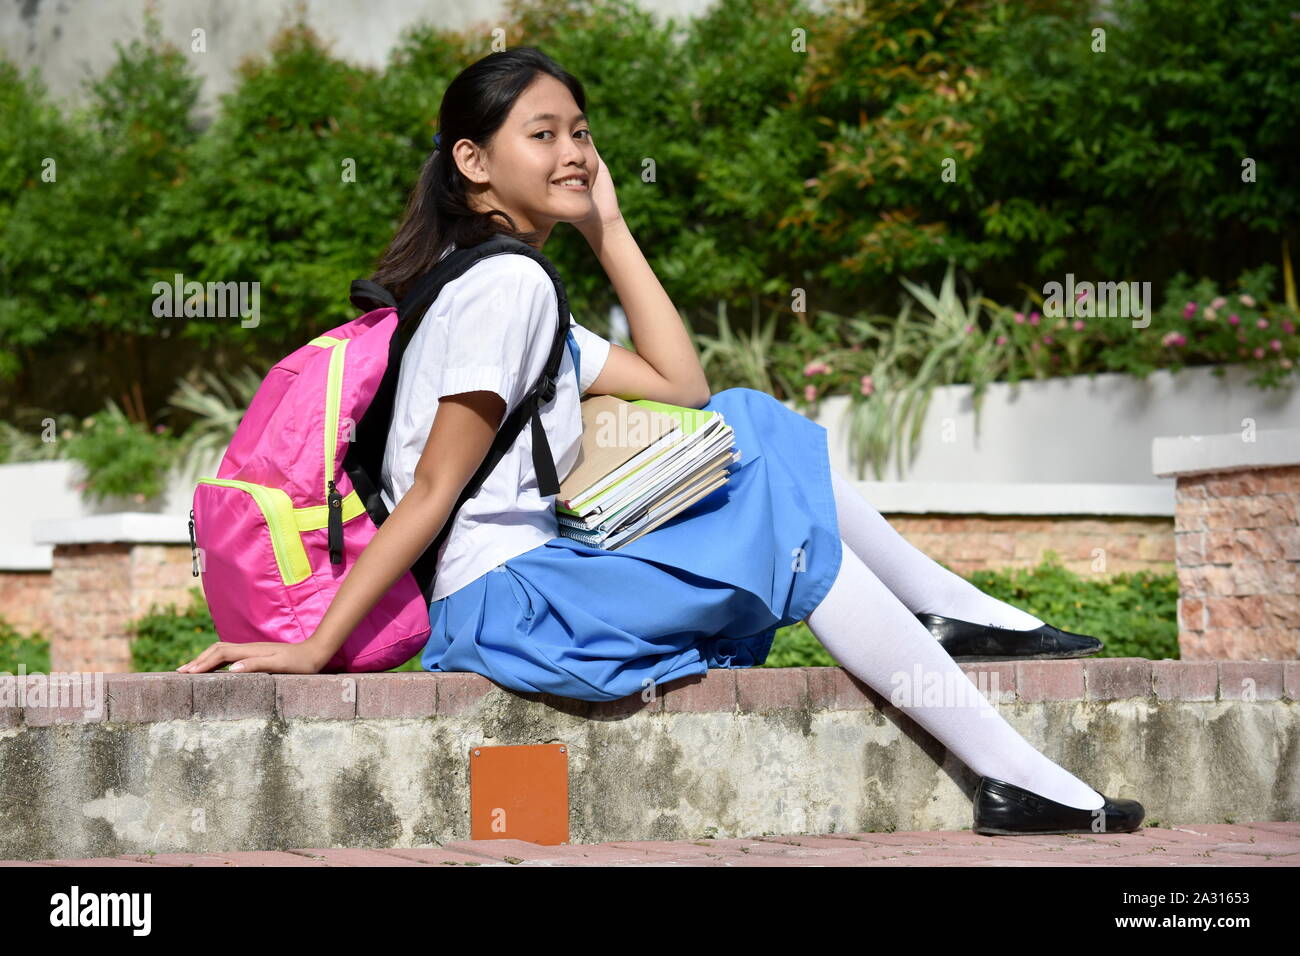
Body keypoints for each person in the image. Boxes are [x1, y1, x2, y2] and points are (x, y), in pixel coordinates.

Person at [178, 47, 1143, 836]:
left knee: (749, 423)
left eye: (581, 134)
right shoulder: (505, 288)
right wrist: (313, 651)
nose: (574, 154)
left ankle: (964, 644)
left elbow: (683, 388)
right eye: (542, 135)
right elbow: (434, 490)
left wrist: (611, 226)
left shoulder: (499, 284)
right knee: (790, 526)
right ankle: (1014, 767)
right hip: (511, 602)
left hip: (531, 582)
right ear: (473, 162)